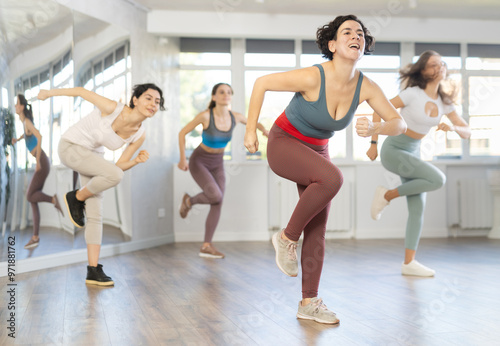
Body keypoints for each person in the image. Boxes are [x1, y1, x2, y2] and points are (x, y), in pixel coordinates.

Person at [244, 15, 407, 324]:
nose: (356, 36)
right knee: (333, 178)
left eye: (360, 33)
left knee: (318, 228)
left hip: (318, 149)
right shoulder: (313, 77)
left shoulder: (366, 86)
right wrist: (250, 131)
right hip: (284, 142)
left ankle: (309, 302)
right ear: (332, 44)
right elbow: (261, 83)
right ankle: (286, 238)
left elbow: (400, 123)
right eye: (347, 31)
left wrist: (377, 126)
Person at [37, 83, 165, 286]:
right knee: (112, 175)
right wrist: (47, 94)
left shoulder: (140, 134)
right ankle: (77, 197)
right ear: (135, 100)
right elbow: (80, 91)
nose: (153, 104)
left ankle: (93, 270)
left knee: (96, 212)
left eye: (157, 102)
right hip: (71, 145)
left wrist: (136, 161)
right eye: (148, 98)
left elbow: (120, 165)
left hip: (92, 155)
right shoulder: (113, 108)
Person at [368, 50, 471, 277]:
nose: (439, 67)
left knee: (417, 210)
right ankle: (386, 195)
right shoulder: (412, 94)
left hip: (413, 153)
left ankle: (409, 262)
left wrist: (453, 127)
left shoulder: (444, 102)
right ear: (423, 71)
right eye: (433, 65)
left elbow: (467, 131)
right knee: (437, 179)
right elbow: (378, 108)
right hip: (394, 149)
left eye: (441, 63)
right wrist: (374, 143)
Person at [178, 83, 269, 259]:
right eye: (221, 92)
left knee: (217, 201)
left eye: (229, 92)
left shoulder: (235, 116)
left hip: (218, 162)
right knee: (216, 195)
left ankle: (206, 245)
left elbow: (252, 121)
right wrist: (183, 159)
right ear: (214, 97)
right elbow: (182, 133)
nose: (226, 95)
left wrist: (263, 129)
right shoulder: (205, 116)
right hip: (200, 161)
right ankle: (189, 201)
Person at [12, 94, 63, 249]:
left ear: (21, 107)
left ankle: (54, 200)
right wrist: (18, 139)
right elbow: (28, 135)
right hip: (42, 161)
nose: (15, 106)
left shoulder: (26, 121)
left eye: (17, 104)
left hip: (42, 162)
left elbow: (39, 136)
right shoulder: (24, 123)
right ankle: (35, 237)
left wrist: (37, 161)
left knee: (29, 195)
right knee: (33, 199)